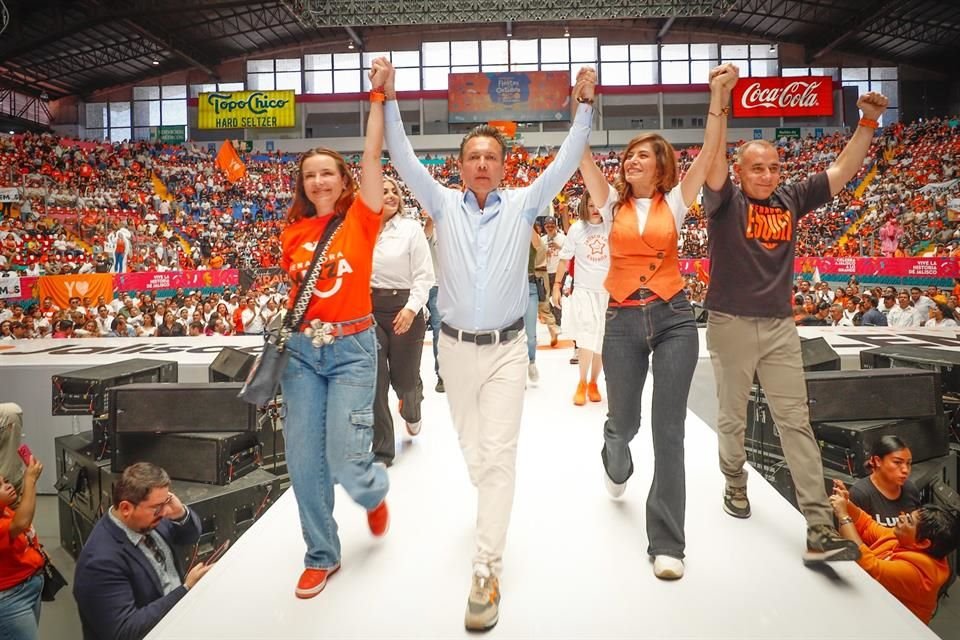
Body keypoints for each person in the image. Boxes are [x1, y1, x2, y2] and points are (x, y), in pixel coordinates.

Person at [384, 60, 595, 631]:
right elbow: (400, 156)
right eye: (473, 156)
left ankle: (485, 569)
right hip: (452, 349)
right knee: (475, 452)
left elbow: (568, 160)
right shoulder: (441, 203)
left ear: (505, 166)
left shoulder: (527, 201)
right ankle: (491, 499)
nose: (482, 164)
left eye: (491, 157)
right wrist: (390, 98)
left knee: (498, 458)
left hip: (505, 350)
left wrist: (584, 105)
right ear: (459, 166)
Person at [703, 89, 890, 561]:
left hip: (781, 328)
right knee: (731, 416)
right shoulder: (723, 202)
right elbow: (712, 158)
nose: (766, 175)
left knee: (796, 423)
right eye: (756, 168)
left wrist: (866, 122)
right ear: (739, 171)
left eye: (773, 168)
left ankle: (818, 526)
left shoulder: (791, 198)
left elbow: (843, 171)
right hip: (731, 324)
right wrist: (719, 101)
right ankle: (735, 482)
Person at [574, 63, 738, 580]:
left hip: (673, 319)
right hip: (621, 320)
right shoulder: (607, 203)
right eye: (627, 155)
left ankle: (667, 543)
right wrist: (583, 104)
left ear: (662, 166)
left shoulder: (676, 201)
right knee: (625, 423)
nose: (630, 160)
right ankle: (614, 453)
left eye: (641, 155)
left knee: (669, 430)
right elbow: (579, 157)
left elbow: (711, 152)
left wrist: (718, 98)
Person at [277, 58, 391, 600]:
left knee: (347, 459)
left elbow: (373, 154)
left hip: (352, 347)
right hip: (302, 353)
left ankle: (371, 492)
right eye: (309, 174)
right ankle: (321, 555)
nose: (319, 180)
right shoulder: (293, 232)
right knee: (303, 460)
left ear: (345, 180)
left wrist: (377, 98)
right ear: (302, 184)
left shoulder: (363, 217)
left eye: (328, 171)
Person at [73, 462, 211, 640]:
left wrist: (179, 513)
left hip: (175, 619)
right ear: (126, 508)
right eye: (157, 507)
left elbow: (190, 536)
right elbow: (124, 632)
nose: (164, 512)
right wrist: (185, 590)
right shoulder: (99, 562)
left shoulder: (148, 518)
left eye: (166, 501)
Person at [370, 176, 434, 466]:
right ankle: (382, 449)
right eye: (383, 191)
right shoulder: (361, 229)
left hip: (405, 307)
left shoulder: (411, 229)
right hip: (369, 311)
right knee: (376, 380)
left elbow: (424, 275)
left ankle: (412, 408)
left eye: (394, 190)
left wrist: (410, 309)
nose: (391, 195)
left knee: (404, 380)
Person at [830, 482, 960, 623]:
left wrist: (844, 516)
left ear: (923, 543)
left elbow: (870, 566)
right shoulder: (906, 539)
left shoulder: (919, 574)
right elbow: (868, 525)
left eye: (909, 521)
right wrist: (847, 503)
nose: (902, 516)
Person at [550, 189, 610, 405]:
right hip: (584, 292)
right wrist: (556, 285)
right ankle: (582, 382)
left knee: (601, 342)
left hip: (607, 293)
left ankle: (594, 382)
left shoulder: (611, 225)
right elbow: (565, 260)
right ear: (585, 206)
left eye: (598, 206)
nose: (595, 210)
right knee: (585, 339)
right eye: (591, 206)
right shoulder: (577, 229)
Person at [0, 455, 43, 640]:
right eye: (0, 486)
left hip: (28, 586)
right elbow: (22, 522)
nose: (7, 486)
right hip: (10, 598)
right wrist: (30, 480)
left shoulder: (4, 510)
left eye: (5, 482)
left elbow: (23, 529)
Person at [849, 435, 921, 527]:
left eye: (908, 463)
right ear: (878, 461)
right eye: (897, 462)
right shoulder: (860, 494)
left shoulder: (910, 489)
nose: (905, 470)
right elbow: (850, 536)